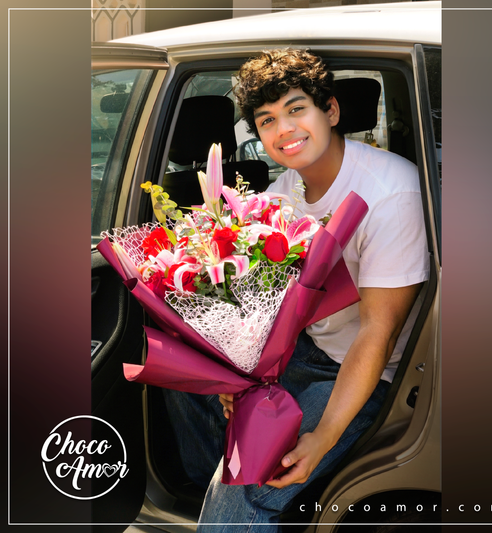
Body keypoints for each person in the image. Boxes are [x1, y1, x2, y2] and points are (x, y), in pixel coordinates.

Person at [163, 48, 430, 531]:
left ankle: (237, 502)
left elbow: (379, 333)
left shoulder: (390, 193)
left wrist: (323, 438)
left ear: (331, 111)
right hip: (304, 350)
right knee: (186, 376)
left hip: (366, 371)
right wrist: (238, 379)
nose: (283, 129)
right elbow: (264, 306)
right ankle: (215, 501)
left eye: (296, 109)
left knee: (253, 476)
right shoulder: (280, 195)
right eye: (267, 120)